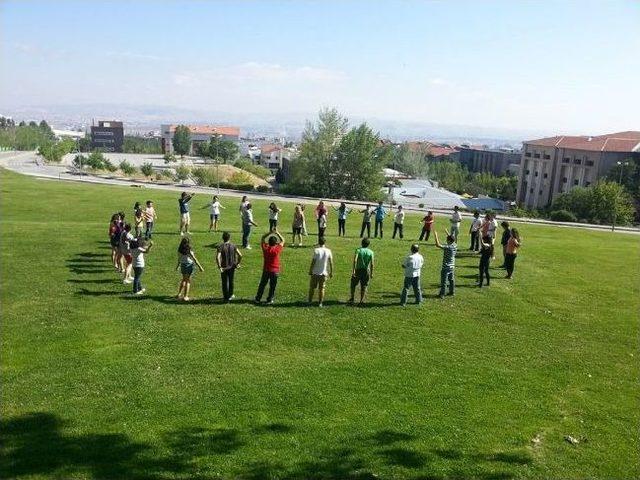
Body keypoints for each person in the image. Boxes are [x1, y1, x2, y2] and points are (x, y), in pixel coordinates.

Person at [255, 230, 285, 305]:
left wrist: (270, 232)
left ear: (268, 242)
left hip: (266, 269)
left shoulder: (266, 248)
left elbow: (262, 238)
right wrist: (277, 233)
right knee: (272, 286)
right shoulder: (277, 249)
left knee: (262, 285)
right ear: (275, 243)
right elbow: (283, 240)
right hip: (275, 270)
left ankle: (258, 298)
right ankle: (269, 299)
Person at [216, 231, 242, 302]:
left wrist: (219, 267)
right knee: (231, 281)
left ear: (222, 238)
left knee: (224, 282)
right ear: (229, 238)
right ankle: (231, 295)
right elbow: (240, 255)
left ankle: (225, 297)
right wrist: (237, 264)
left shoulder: (220, 246)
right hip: (232, 267)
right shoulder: (233, 245)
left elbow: (218, 257)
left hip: (224, 267)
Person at [176, 237, 204, 301]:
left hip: (183, 265)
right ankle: (185, 296)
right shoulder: (189, 250)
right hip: (189, 266)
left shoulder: (179, 250)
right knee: (187, 281)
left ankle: (179, 294)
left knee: (183, 279)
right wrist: (200, 267)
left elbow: (179, 259)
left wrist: (177, 266)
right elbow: (194, 259)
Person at [308, 236, 333, 307]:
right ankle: (320, 303)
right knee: (322, 288)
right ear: (325, 242)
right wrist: (331, 272)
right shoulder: (328, 251)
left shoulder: (316, 250)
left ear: (319, 242)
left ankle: (310, 301)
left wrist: (310, 270)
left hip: (315, 272)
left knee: (312, 287)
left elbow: (313, 262)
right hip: (324, 273)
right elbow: (331, 262)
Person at [349, 238, 375, 305]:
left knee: (353, 284)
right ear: (368, 244)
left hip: (358, 270)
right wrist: (371, 273)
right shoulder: (371, 252)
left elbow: (355, 260)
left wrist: (353, 270)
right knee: (364, 285)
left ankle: (352, 298)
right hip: (366, 271)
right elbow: (372, 264)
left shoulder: (358, 250)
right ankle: (361, 300)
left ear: (362, 243)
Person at [434, 231, 457, 298]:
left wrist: (436, 235)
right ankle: (452, 292)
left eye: (447, 240)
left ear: (449, 241)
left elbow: (438, 245)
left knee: (444, 281)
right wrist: (447, 233)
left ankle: (442, 294)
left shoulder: (448, 247)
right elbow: (452, 238)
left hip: (446, 267)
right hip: (452, 266)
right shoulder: (455, 245)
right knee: (451, 280)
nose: (446, 241)